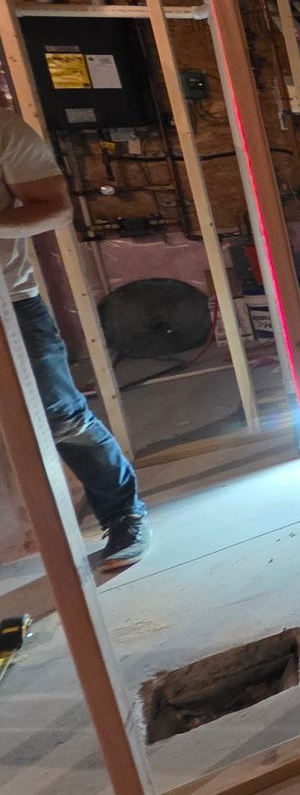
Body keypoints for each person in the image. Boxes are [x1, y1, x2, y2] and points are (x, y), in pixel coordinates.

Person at [1, 107, 148, 570]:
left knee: (60, 416)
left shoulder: (3, 129)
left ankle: (123, 513)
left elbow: (56, 207)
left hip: (9, 303)